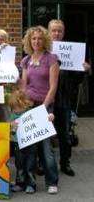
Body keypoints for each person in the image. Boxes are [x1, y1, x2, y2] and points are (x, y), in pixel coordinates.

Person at [48, 19, 91, 176]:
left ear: (63, 32)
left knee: (64, 135)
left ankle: (65, 163)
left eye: (59, 30)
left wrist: (83, 70)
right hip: (45, 99)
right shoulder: (43, 49)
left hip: (63, 99)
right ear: (49, 31)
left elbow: (77, 79)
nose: (57, 33)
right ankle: (42, 163)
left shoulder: (71, 51)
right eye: (54, 30)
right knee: (43, 133)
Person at [20, 26, 59, 194]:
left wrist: (44, 107)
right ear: (29, 41)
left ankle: (52, 181)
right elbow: (23, 85)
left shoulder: (51, 59)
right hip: (28, 106)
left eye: (39, 38)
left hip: (45, 105)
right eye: (33, 38)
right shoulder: (26, 60)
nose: (36, 41)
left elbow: (53, 87)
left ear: (45, 41)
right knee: (29, 147)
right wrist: (21, 103)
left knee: (46, 147)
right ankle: (30, 182)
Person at [7, 89, 55, 194]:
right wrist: (11, 126)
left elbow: (43, 119)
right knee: (19, 164)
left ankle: (31, 184)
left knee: (30, 165)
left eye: (16, 108)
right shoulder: (12, 115)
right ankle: (20, 183)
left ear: (23, 105)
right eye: (13, 108)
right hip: (17, 144)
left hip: (31, 144)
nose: (15, 110)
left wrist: (50, 117)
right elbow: (8, 128)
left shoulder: (31, 113)